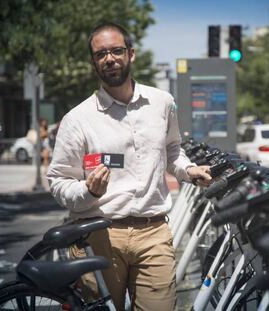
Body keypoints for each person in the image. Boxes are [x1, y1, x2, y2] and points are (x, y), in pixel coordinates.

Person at [47, 22, 212, 311]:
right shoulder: (77, 119)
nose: (109, 58)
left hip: (154, 232)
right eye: (101, 54)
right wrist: (88, 191)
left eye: (116, 51)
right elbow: (59, 180)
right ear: (93, 62)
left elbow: (172, 148)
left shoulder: (162, 103)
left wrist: (188, 170)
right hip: (97, 234)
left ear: (131, 54)